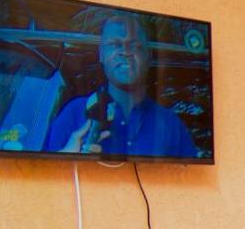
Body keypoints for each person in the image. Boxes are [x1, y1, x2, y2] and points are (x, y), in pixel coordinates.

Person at [45, 12, 198, 158]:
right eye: (114, 45)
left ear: (148, 55)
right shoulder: (74, 114)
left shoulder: (171, 125)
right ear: (101, 54)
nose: (125, 52)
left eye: (134, 46)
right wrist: (69, 159)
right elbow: (43, 172)